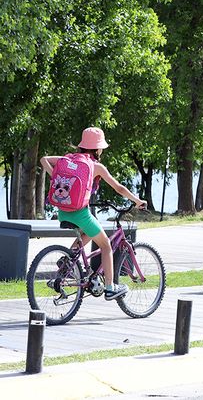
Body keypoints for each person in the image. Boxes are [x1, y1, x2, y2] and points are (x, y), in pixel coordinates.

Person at [40, 127, 147, 301]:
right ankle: (111, 288)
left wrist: (56, 177)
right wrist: (137, 201)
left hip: (63, 212)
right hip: (80, 213)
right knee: (105, 245)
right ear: (97, 149)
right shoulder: (95, 166)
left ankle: (70, 257)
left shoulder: (67, 160)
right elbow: (119, 188)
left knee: (91, 228)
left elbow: (43, 159)